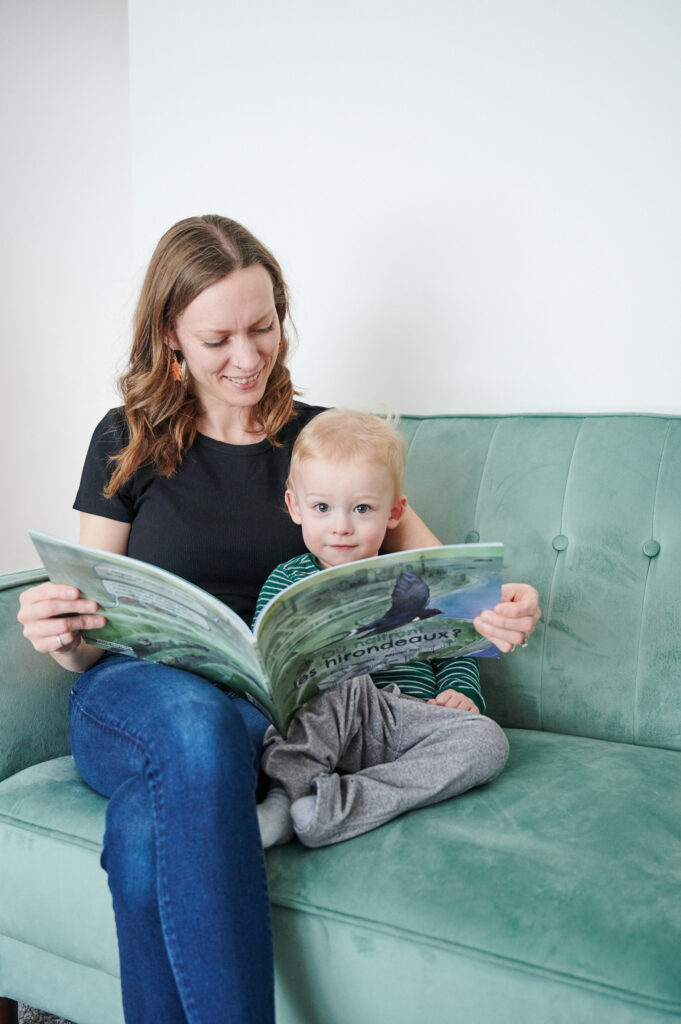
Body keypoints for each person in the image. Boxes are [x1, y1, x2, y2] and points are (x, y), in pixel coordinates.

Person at [17, 214, 541, 1024]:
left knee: (147, 831)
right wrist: (65, 635)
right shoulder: (125, 439)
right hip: (131, 695)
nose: (248, 356)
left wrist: (502, 609)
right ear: (170, 337)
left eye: (262, 327)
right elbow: (89, 635)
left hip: (266, 715)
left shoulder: (325, 445)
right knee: (193, 727)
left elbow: (445, 591)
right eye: (219, 337)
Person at [253, 409, 509, 849]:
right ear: (296, 507)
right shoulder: (284, 580)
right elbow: (269, 661)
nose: (341, 526)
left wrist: (462, 693)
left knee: (488, 740)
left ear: (394, 512)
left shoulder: (414, 578)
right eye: (322, 507)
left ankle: (338, 806)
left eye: (362, 509)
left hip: (404, 719)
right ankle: (285, 795)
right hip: (324, 718)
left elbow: (454, 645)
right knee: (340, 672)